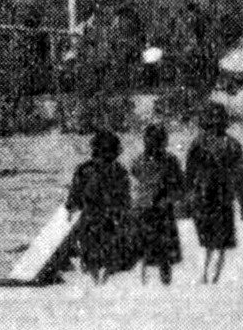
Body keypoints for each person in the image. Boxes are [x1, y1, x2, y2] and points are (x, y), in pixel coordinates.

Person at [185, 102, 243, 284]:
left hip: (202, 196)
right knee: (221, 242)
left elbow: (189, 174)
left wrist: (187, 198)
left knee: (205, 240)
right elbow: (239, 177)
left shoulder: (197, 143)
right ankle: (214, 277)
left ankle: (203, 274)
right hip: (224, 197)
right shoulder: (233, 145)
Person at [64, 130, 132, 285]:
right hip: (111, 222)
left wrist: (71, 208)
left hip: (90, 221)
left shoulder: (84, 169)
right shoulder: (119, 170)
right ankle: (104, 279)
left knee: (91, 257)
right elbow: (126, 201)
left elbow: (74, 197)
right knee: (110, 256)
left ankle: (96, 280)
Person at [128, 122, 184, 284]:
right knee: (162, 247)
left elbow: (135, 177)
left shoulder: (140, 161)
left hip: (147, 207)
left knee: (147, 243)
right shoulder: (170, 161)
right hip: (159, 208)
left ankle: (147, 274)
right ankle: (162, 275)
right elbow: (180, 185)